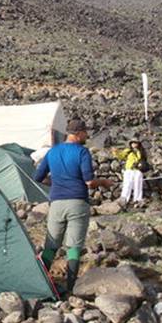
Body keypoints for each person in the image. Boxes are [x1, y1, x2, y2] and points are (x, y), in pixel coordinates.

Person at [33, 119, 114, 294]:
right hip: (77, 202)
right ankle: (71, 289)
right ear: (78, 134)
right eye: (85, 132)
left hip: (56, 203)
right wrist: (104, 182)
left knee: (51, 245)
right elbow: (89, 182)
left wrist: (55, 183)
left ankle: (41, 284)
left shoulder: (52, 152)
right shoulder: (82, 152)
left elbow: (38, 177)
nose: (87, 135)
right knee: (74, 247)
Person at [115, 140, 145, 204]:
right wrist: (116, 152)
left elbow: (144, 159)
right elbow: (121, 156)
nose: (134, 144)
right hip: (129, 169)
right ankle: (124, 199)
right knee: (127, 184)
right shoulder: (128, 150)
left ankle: (137, 200)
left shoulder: (142, 151)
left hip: (138, 170)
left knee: (138, 184)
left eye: (135, 142)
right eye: (133, 143)